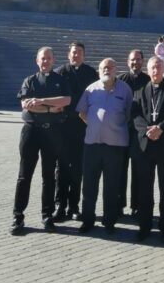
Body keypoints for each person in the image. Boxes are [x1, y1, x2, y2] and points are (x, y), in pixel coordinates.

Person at [11, 47, 71, 235]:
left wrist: (41, 102)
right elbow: (26, 106)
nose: (45, 61)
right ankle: (18, 215)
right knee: (24, 175)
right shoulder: (30, 80)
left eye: (49, 58)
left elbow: (66, 100)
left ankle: (47, 215)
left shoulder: (61, 80)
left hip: (52, 132)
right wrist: (51, 108)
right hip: (31, 132)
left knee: (49, 176)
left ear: (54, 61)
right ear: (37, 61)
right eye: (42, 58)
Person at [77, 58, 133, 234]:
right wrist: (96, 124)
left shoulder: (125, 89)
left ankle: (109, 221)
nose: (106, 70)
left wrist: (111, 126)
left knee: (112, 185)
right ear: (99, 70)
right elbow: (82, 112)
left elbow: (129, 114)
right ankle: (88, 220)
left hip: (115, 146)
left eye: (109, 67)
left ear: (116, 69)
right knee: (89, 185)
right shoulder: (90, 89)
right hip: (92, 144)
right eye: (103, 68)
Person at [131, 55, 164, 243]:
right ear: (148, 69)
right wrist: (147, 130)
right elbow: (135, 115)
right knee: (144, 189)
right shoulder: (139, 91)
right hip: (145, 147)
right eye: (153, 67)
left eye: (159, 67)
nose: (156, 70)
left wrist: (161, 128)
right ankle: (144, 226)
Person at [53, 41, 98, 221]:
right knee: (61, 167)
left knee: (78, 168)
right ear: (68, 54)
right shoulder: (60, 72)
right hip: (63, 127)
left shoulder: (90, 73)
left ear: (84, 55)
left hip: (82, 127)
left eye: (79, 52)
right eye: (73, 52)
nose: (76, 55)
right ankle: (59, 205)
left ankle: (74, 206)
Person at [118, 49, 150, 216]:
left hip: (139, 133)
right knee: (120, 168)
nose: (135, 62)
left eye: (138, 60)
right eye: (132, 60)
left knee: (139, 169)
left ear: (142, 62)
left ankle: (136, 205)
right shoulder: (121, 80)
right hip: (122, 130)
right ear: (127, 61)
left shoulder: (148, 80)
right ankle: (119, 204)